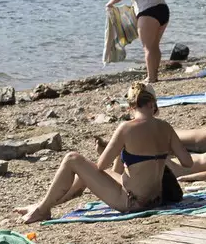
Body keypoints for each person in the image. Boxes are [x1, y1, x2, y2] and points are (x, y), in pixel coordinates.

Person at [16, 83, 193, 223]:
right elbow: (187, 162)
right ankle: (43, 204)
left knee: (72, 159)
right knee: (89, 173)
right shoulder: (166, 127)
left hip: (132, 202)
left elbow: (101, 165)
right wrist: (159, 152)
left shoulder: (126, 128)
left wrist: (106, 151)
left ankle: (42, 210)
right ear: (153, 103)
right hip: (156, 199)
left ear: (130, 106)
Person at [107, 0, 170, 83]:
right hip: (164, 11)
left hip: (148, 14)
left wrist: (109, 4)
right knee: (154, 46)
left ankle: (151, 77)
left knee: (148, 48)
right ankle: (154, 75)